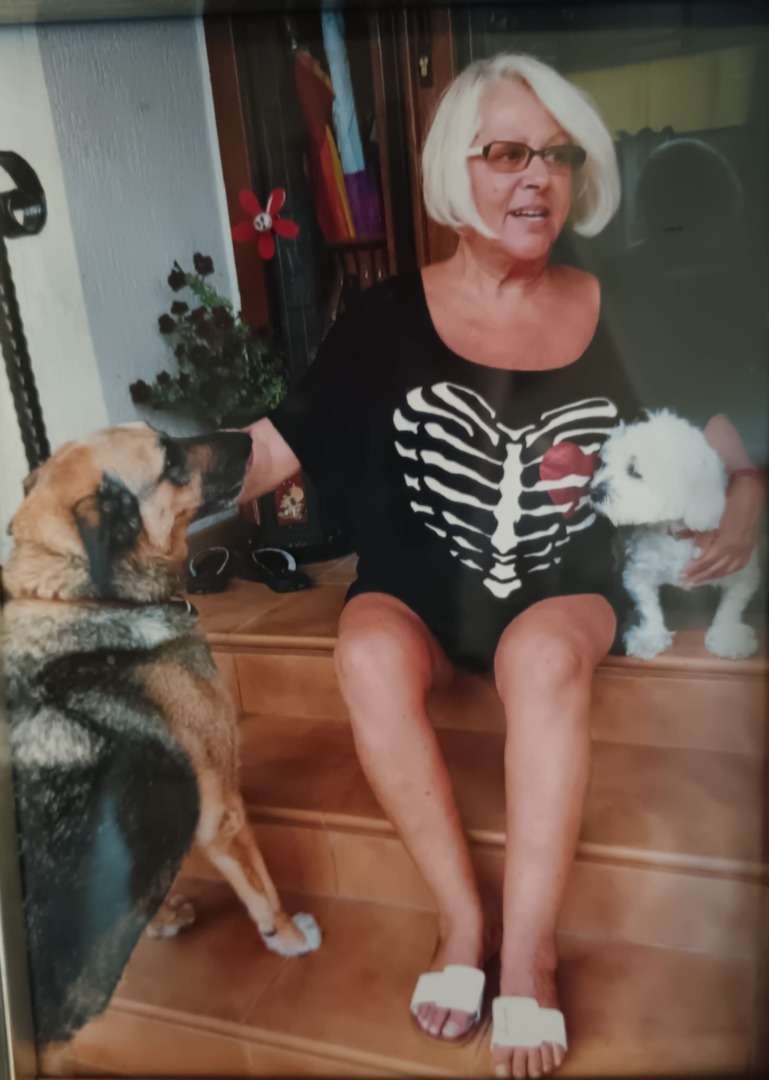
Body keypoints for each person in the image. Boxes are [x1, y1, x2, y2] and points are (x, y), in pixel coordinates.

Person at [238, 53, 765, 1078]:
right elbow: (271, 449)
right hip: (415, 588)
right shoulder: (380, 317)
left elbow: (727, 449)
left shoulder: (622, 303)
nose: (538, 177)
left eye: (558, 156)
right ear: (456, 170)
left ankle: (529, 953)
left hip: (559, 590)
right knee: (366, 653)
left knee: (543, 660)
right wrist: (142, 480)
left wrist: (746, 493)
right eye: (508, 153)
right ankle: (461, 922)